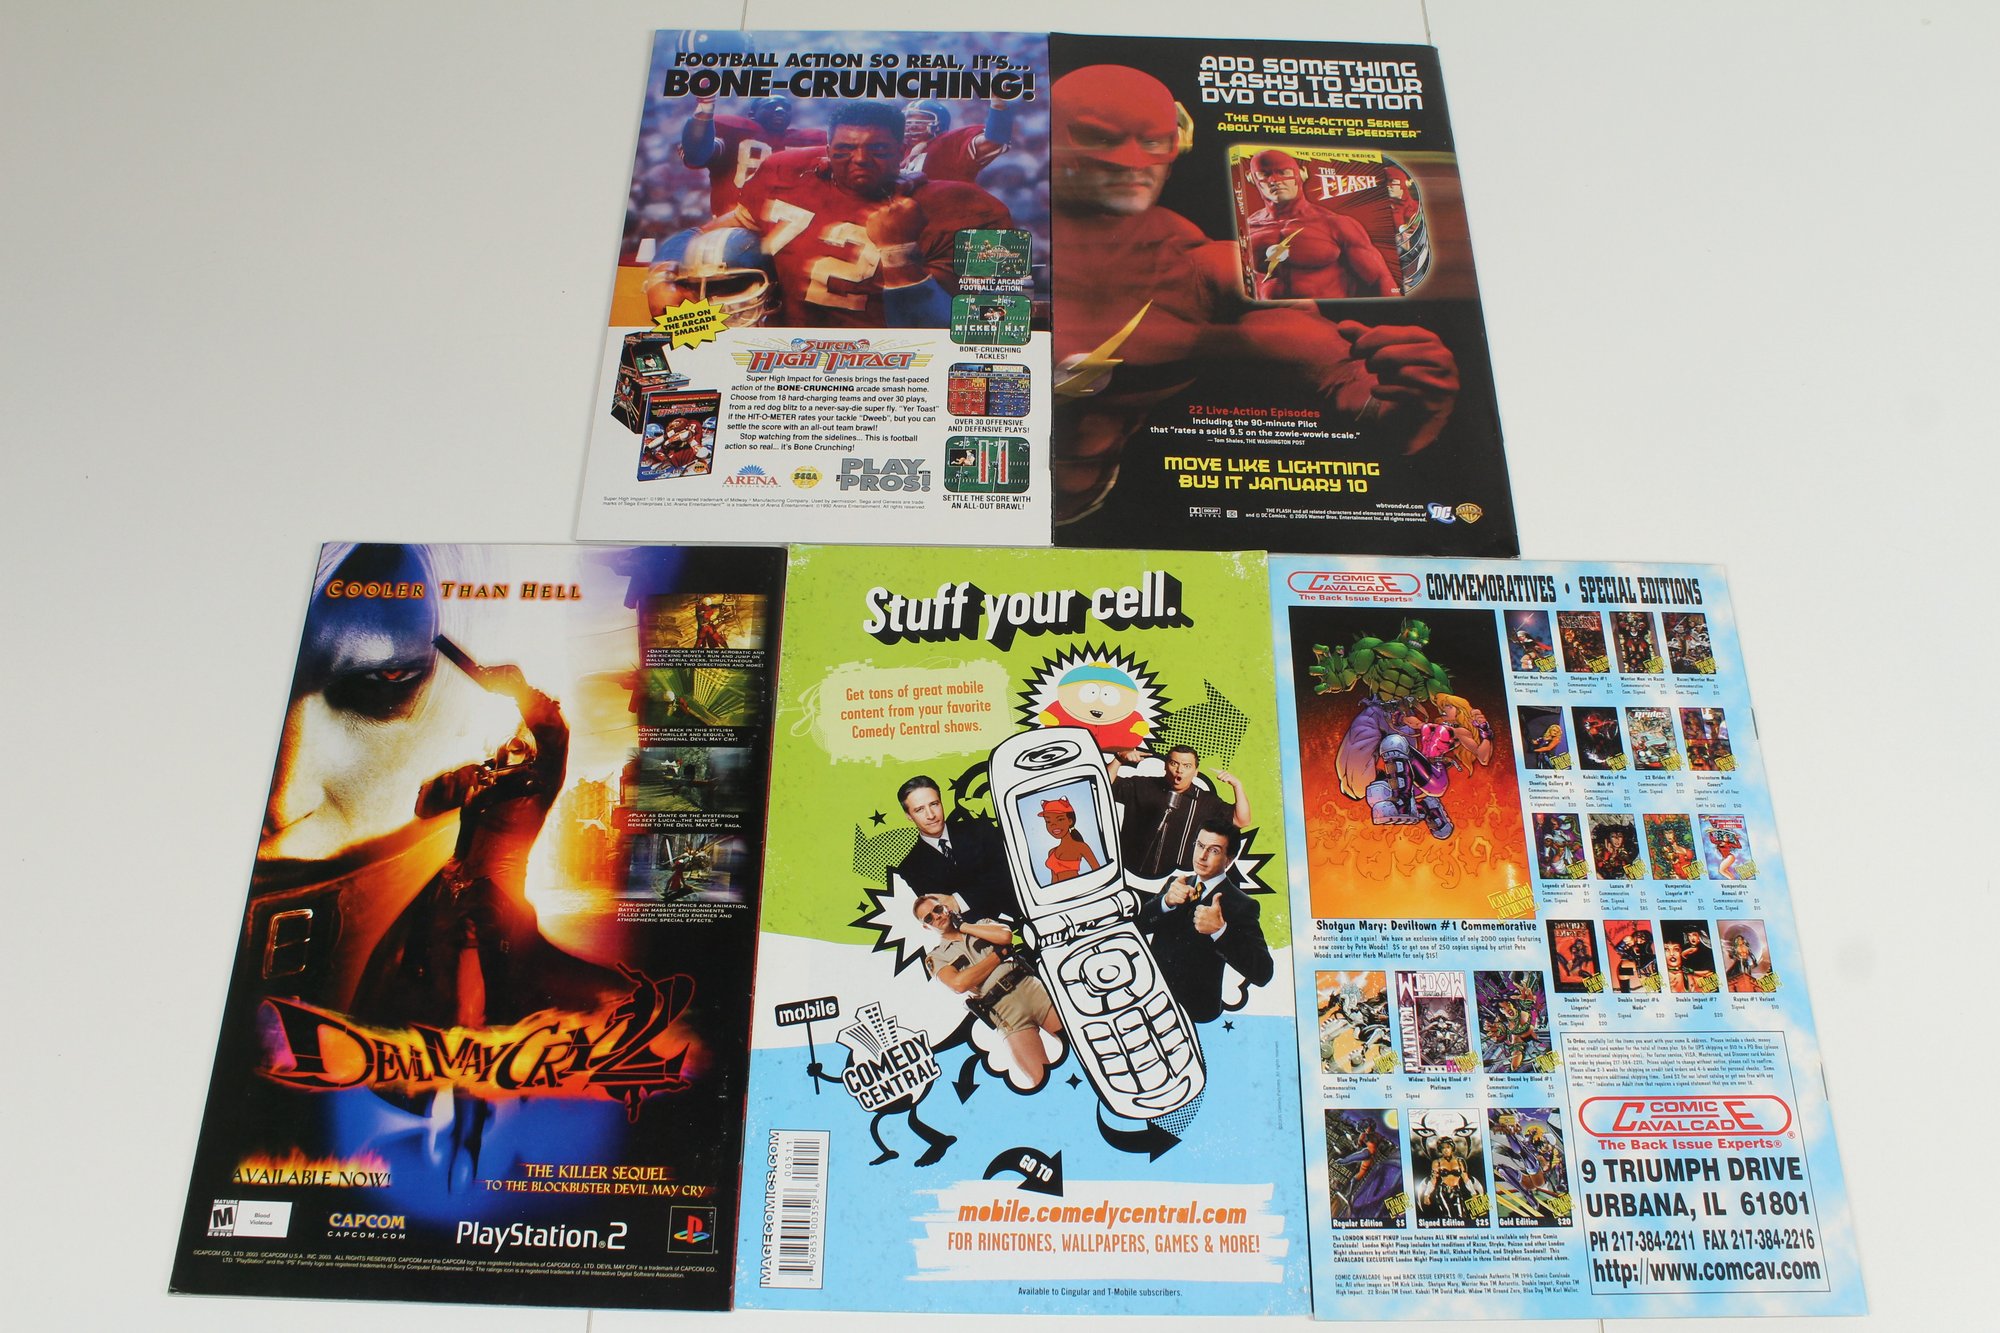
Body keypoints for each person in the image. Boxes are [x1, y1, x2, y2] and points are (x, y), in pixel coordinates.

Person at [1047, 64, 1459, 524]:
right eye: (1100, 138)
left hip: (1105, 504)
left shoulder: (1210, 271)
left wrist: (1394, 398)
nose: (1132, 162)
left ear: (1179, 141)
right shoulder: (993, 237)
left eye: (1152, 141)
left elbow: (1330, 360)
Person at [354, 653, 619, 1031]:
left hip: (495, 900)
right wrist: (459, 781)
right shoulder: (481, 779)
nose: (517, 737)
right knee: (412, 987)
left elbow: (554, 734)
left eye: (525, 732)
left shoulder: (539, 779)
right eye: (514, 732)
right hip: (446, 898)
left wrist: (519, 689)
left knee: (483, 1002)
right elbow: (424, 806)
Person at [716, 101, 1013, 328]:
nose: (860, 159)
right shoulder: (787, 169)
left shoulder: (966, 206)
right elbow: (730, 230)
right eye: (844, 149)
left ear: (900, 150)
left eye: (878, 149)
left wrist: (898, 252)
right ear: (828, 149)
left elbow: (989, 323)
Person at [913, 895, 1062, 1087]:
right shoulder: (935, 957)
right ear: (926, 927)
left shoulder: (981, 924)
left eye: (938, 909)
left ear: (946, 908)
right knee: (1040, 1078)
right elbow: (959, 984)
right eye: (929, 918)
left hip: (1032, 990)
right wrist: (998, 956)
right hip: (1004, 1013)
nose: (937, 916)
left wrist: (963, 926)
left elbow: (1005, 936)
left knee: (1076, 1041)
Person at [1137, 820, 1272, 1024]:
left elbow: (1263, 973)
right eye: (1200, 846)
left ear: (1229, 860)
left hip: (1196, 1015)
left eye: (1214, 850)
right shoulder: (1176, 884)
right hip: (1151, 1003)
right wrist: (1165, 903)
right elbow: (1137, 926)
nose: (1202, 856)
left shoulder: (1242, 905)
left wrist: (1220, 931)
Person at [1242, 148, 1399, 300]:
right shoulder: (1248, 228)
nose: (1274, 181)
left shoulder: (1336, 224)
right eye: (1265, 174)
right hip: (1271, 315)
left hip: (1327, 315)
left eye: (1283, 172)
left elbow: (1380, 279)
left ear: (1302, 174)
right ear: (1251, 178)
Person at [1107, 744, 1250, 880]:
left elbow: (1241, 820)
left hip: (1175, 883)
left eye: (1187, 766)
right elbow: (1104, 787)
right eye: (1174, 763)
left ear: (1195, 772)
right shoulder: (1142, 786)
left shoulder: (1206, 801)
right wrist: (1118, 759)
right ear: (1165, 766)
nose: (1179, 770)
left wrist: (1237, 786)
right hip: (1128, 872)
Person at [891, 774, 1016, 920]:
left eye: (934, 804)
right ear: (908, 816)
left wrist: (957, 900)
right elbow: (943, 917)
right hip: (973, 932)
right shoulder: (910, 868)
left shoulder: (980, 829)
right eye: (919, 810)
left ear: (941, 802)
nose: (930, 815)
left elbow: (1008, 874)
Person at [678, 94, 825, 218]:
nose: (780, 110)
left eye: (786, 108)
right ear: (752, 115)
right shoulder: (735, 133)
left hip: (788, 226)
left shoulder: (806, 141)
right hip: (735, 224)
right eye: (770, 106)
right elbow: (697, 155)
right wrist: (704, 112)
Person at [899, 96, 1016, 183]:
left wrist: (997, 106)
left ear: (939, 125)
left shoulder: (950, 144)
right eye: (908, 122)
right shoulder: (897, 149)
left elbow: (995, 139)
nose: (912, 126)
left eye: (919, 121)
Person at [1037, 797, 1100, 882]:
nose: (1053, 825)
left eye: (1060, 819)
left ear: (1070, 821)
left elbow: (1098, 872)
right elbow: (1054, 881)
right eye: (1048, 821)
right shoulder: (1051, 852)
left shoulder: (1081, 847)